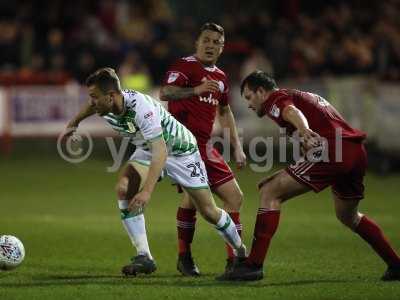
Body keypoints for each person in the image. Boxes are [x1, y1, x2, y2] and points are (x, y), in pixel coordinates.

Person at [218, 70, 400, 281]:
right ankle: (395, 264)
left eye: (249, 97)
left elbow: (291, 112)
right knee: (348, 216)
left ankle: (253, 265)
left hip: (333, 151)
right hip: (354, 151)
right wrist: (290, 165)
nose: (249, 104)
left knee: (270, 191)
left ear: (261, 91)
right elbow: (310, 139)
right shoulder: (304, 96)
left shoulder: (275, 100)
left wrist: (303, 129)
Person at [64, 67, 246, 276]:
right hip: (147, 149)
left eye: (95, 97)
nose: (92, 102)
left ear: (111, 96)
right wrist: (74, 123)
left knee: (208, 211)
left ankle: (240, 251)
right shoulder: (105, 104)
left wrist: (147, 192)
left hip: (180, 150)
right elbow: (90, 107)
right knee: (124, 189)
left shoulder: (140, 108)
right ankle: (144, 257)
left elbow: (161, 150)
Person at [160, 22, 246, 276]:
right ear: (197, 43)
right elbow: (166, 92)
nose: (210, 45)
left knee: (228, 198)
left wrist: (237, 147)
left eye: (216, 42)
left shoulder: (220, 77)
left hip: (205, 147)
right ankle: (215, 258)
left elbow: (225, 111)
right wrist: (195, 89)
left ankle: (226, 261)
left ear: (222, 48)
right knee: (206, 199)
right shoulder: (184, 66)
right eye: (206, 40)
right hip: (183, 145)